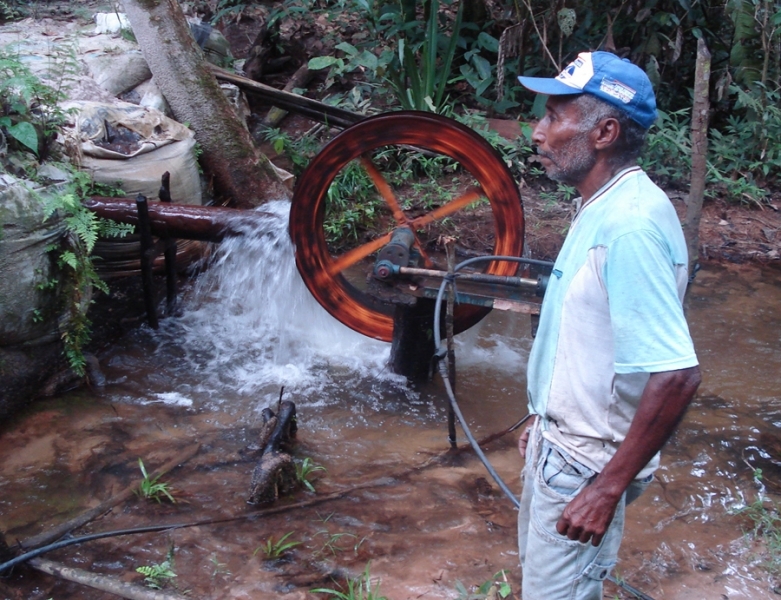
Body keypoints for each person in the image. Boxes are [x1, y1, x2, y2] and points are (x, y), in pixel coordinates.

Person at [515, 51, 702, 599]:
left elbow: (677, 374)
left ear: (605, 132)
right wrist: (542, 412)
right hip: (562, 448)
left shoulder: (630, 228)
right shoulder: (602, 204)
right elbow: (586, 336)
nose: (537, 132)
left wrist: (607, 488)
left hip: (585, 467)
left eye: (553, 117)